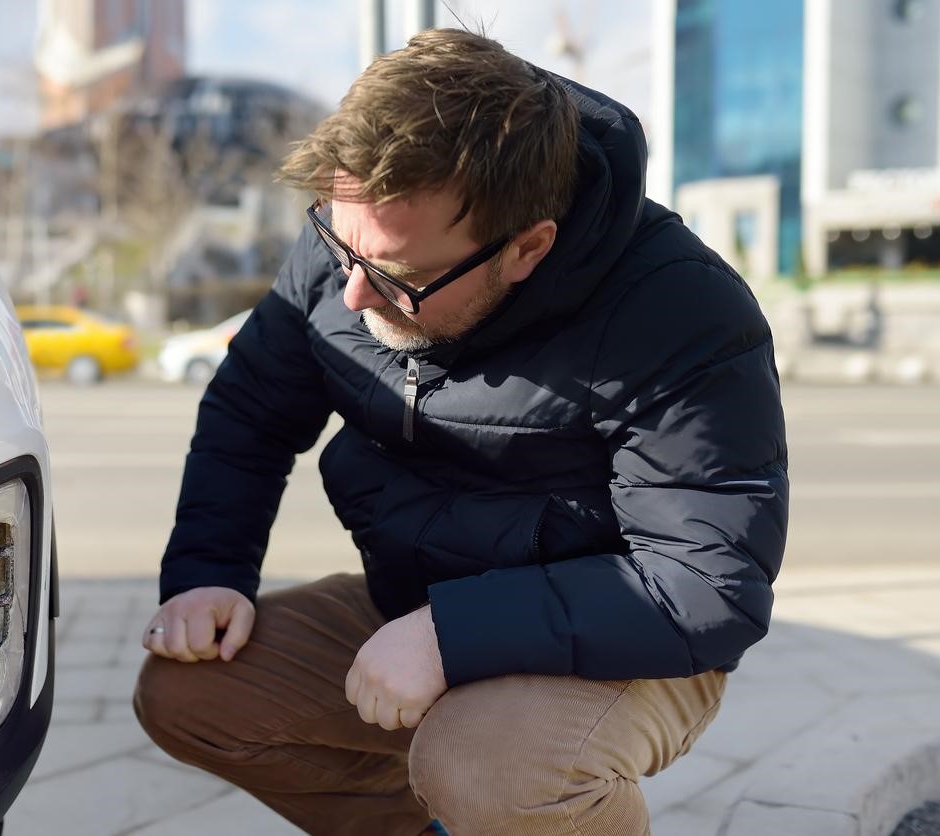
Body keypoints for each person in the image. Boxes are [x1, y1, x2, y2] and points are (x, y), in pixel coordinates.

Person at [133, 28, 788, 836]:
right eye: (339, 244)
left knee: (490, 772)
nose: (352, 298)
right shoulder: (360, 248)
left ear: (528, 248)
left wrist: (455, 634)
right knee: (190, 694)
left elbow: (705, 586)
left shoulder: (676, 310)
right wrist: (208, 571)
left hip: (628, 634)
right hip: (416, 605)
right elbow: (249, 413)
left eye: (397, 279)